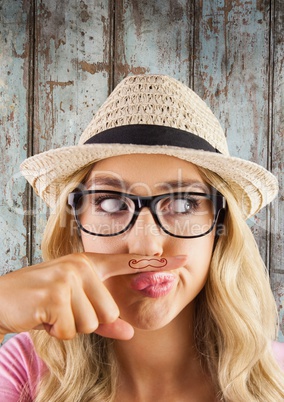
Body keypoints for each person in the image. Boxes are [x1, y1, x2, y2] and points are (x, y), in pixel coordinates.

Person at [0, 74, 283, 402]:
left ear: (220, 227)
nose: (147, 246)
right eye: (111, 203)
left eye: (182, 204)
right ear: (76, 224)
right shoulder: (24, 368)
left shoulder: (277, 379)